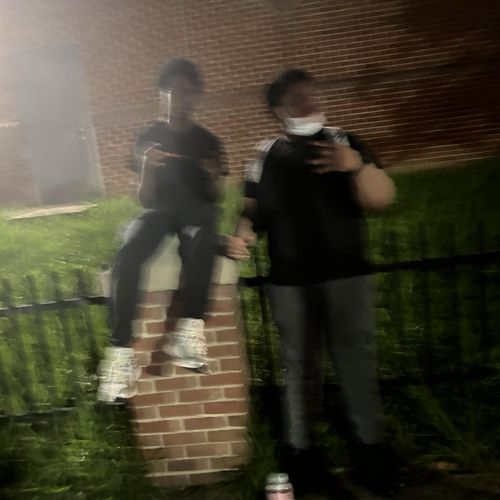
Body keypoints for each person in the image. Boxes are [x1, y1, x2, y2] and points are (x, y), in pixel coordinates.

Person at [227, 69, 397, 496]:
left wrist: (355, 166)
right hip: (289, 281)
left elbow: (382, 199)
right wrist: (243, 233)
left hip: (345, 274)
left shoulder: (345, 141)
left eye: (310, 94)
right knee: (299, 367)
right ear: (277, 109)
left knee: (355, 364)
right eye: (295, 97)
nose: (307, 102)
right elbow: (251, 210)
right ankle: (303, 458)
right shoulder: (265, 154)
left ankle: (371, 455)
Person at [98, 58, 227, 403]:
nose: (179, 97)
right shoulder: (147, 138)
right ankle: (121, 354)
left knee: (204, 236)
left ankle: (189, 329)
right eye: (172, 90)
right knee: (130, 248)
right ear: (161, 94)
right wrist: (146, 168)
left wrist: (214, 175)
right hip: (158, 212)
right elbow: (144, 199)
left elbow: (216, 196)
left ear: (195, 96)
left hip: (196, 212)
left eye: (186, 91)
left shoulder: (208, 141)